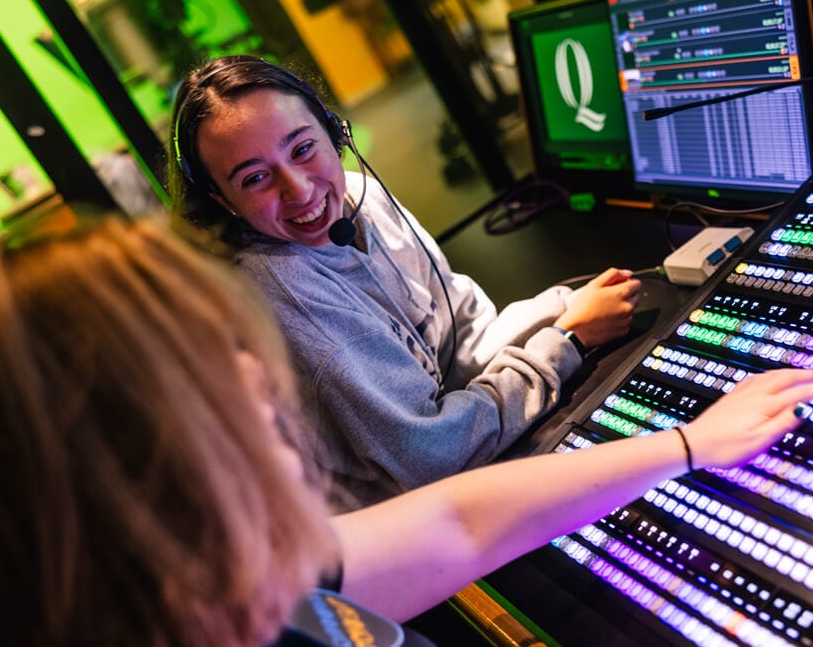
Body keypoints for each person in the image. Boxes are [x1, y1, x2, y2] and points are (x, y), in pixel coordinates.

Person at [0, 216, 813, 647]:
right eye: (214, 376)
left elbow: (455, 520)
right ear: (103, 476)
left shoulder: (225, 590)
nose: (265, 387)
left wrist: (686, 446)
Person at [169, 54, 645, 510]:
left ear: (335, 131)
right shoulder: (282, 296)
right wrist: (565, 340)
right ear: (222, 199)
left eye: (303, 149)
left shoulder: (362, 197)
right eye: (254, 178)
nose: (299, 190)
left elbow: (467, 339)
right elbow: (431, 457)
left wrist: (562, 308)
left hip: (461, 457)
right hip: (401, 525)